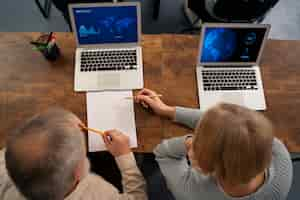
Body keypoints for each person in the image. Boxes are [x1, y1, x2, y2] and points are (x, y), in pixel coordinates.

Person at [135, 88, 292, 200]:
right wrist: (169, 111)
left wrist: (189, 142)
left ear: (203, 166)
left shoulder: (191, 192)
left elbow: (163, 152)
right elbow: (228, 124)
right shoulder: (279, 155)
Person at [0, 108, 147, 200]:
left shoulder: (4, 173)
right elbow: (138, 197)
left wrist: (60, 124)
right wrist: (124, 156)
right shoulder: (100, 195)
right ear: (80, 171)